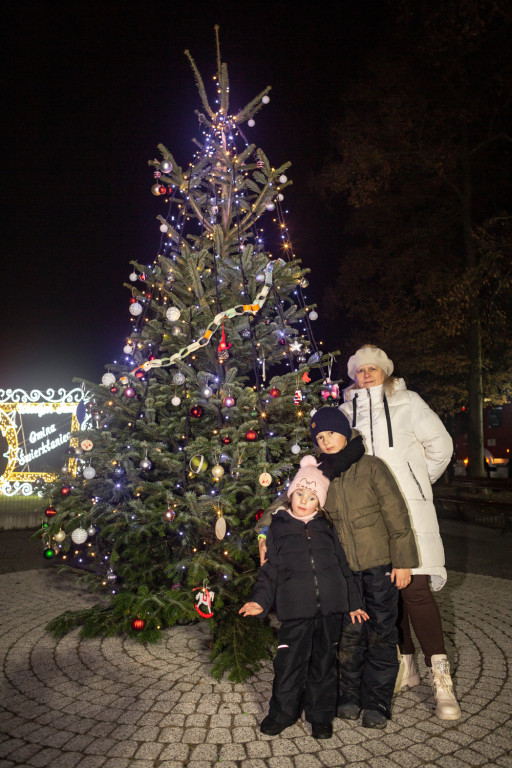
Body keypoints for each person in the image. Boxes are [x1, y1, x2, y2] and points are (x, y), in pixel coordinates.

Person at [256, 408, 419, 729]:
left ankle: (377, 701)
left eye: (331, 433)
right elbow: (284, 504)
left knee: (382, 633)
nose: (326, 441)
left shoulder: (372, 467)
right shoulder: (317, 472)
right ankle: (349, 696)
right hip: (341, 573)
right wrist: (263, 533)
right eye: (319, 437)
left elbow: (397, 515)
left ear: (346, 431)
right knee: (348, 634)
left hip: (379, 567)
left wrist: (403, 561)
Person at [340, 344, 461, 720]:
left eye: (373, 369)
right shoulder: (347, 412)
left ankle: (442, 681)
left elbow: (441, 446)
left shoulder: (408, 401)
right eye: (360, 370)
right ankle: (405, 664)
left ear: (386, 371)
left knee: (417, 590)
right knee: (387, 592)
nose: (366, 375)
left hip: (410, 508)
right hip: (370, 518)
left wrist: (417, 482)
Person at [240, 456, 368, 740]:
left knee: (324, 665)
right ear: (291, 494)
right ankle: (282, 712)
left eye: (311, 497)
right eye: (299, 493)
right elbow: (270, 570)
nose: (303, 501)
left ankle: (320, 716)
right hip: (295, 611)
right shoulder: (278, 527)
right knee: (289, 664)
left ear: (319, 503)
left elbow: (342, 567)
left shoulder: (326, 528)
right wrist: (260, 601)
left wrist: (354, 602)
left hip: (329, 612)